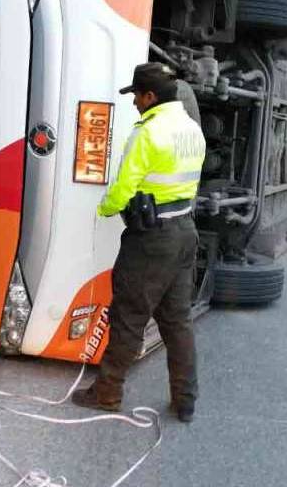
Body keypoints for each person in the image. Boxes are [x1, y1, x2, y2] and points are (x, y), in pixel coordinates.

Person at [71, 62, 206, 422]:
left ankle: (107, 393)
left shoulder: (148, 132)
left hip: (151, 239)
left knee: (129, 317)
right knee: (178, 321)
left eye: (136, 97)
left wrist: (103, 209)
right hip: (184, 233)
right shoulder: (192, 130)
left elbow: (123, 189)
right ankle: (185, 400)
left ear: (150, 96)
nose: (134, 104)